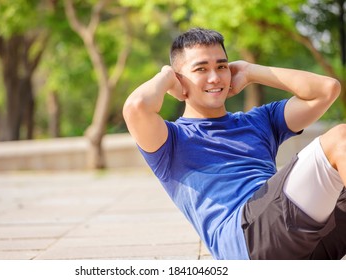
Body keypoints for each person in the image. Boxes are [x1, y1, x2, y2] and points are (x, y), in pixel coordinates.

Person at [122, 27, 346, 260]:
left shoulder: (260, 121)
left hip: (298, 239)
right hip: (245, 241)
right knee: (340, 138)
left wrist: (250, 71)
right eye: (201, 69)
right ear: (180, 80)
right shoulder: (172, 141)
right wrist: (166, 76)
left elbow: (327, 90)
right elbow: (136, 107)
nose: (215, 77)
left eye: (221, 66)